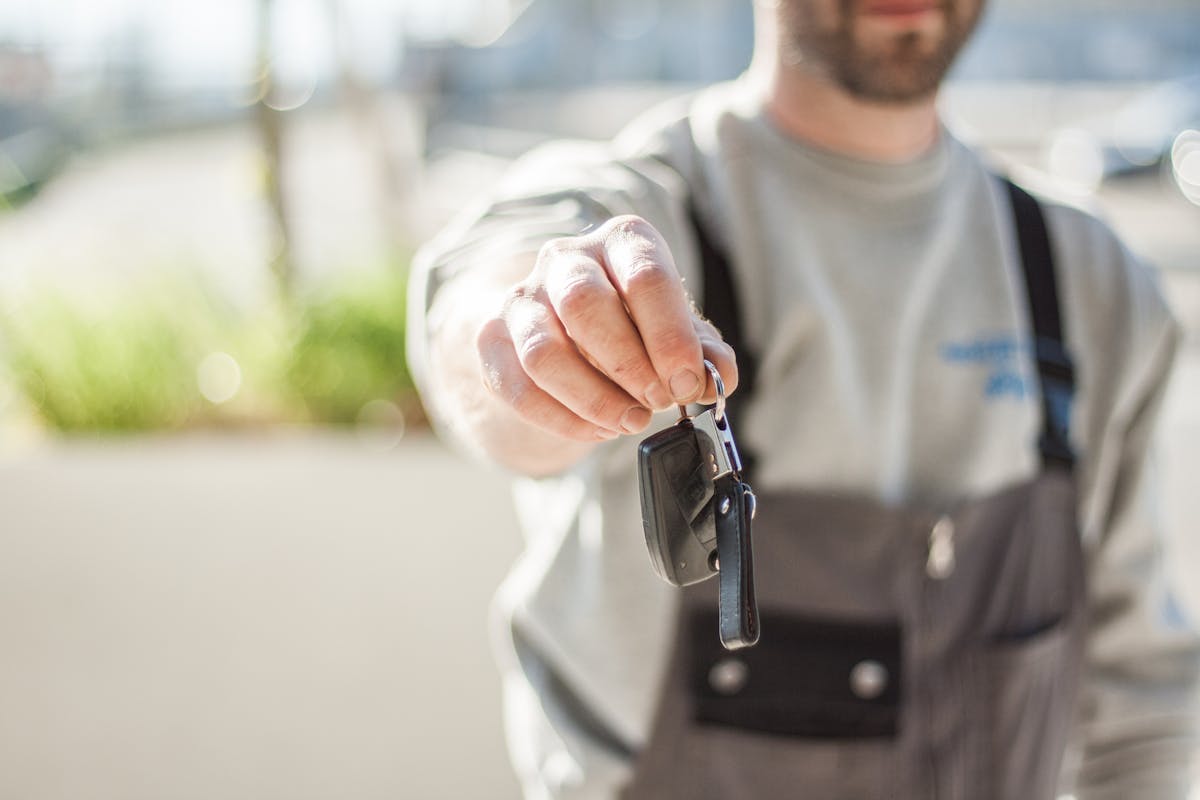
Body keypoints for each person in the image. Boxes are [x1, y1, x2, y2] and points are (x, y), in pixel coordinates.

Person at [406, 0, 1200, 796]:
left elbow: (1139, 709)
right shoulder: (648, 205)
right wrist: (545, 338)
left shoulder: (1091, 282)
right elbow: (488, 318)